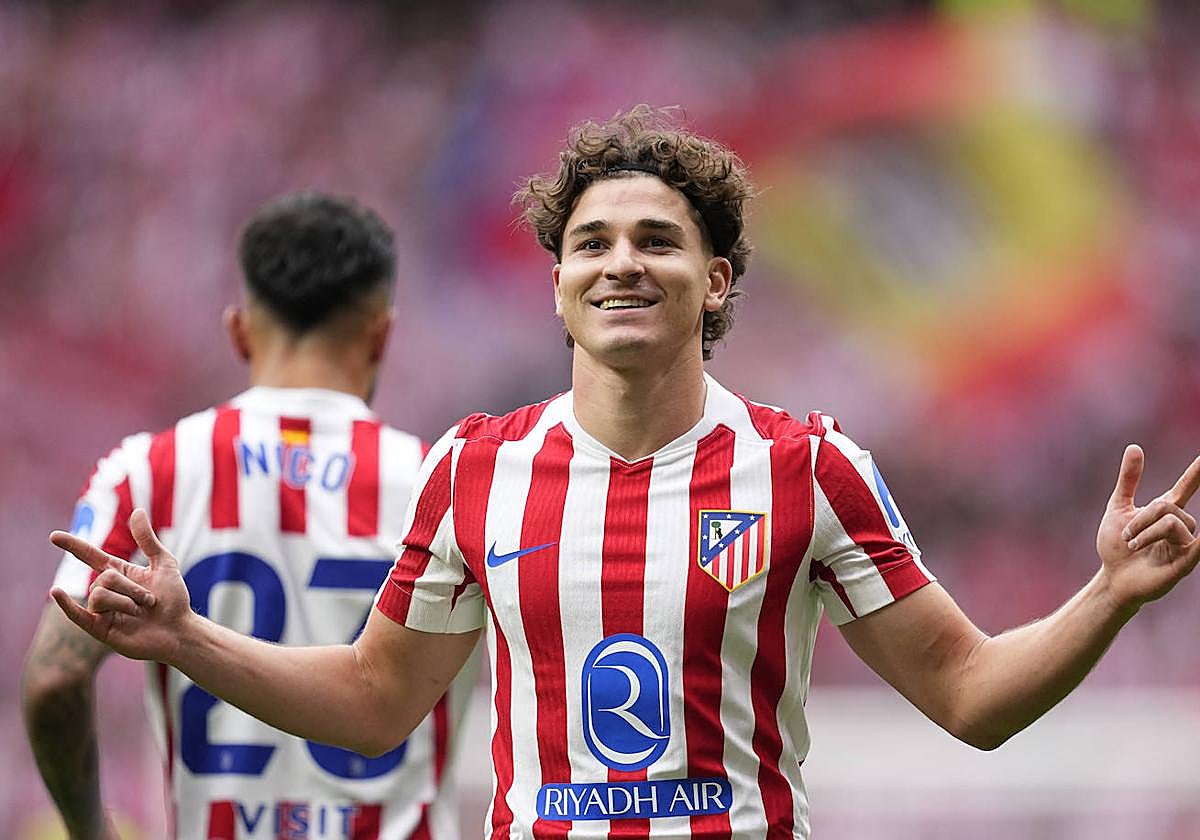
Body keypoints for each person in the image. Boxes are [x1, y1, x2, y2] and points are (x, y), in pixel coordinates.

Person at [47, 108, 1200, 839]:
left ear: (719, 279)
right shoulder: (474, 468)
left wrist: (1108, 595)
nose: (622, 264)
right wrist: (185, 638)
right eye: (591, 244)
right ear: (557, 286)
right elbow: (372, 702)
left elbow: (971, 697)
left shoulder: (808, 465)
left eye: (657, 241)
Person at [24, 192, 476, 840]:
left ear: (238, 331)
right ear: (382, 335)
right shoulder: (446, 484)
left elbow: (54, 679)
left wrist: (90, 829)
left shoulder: (149, 472)